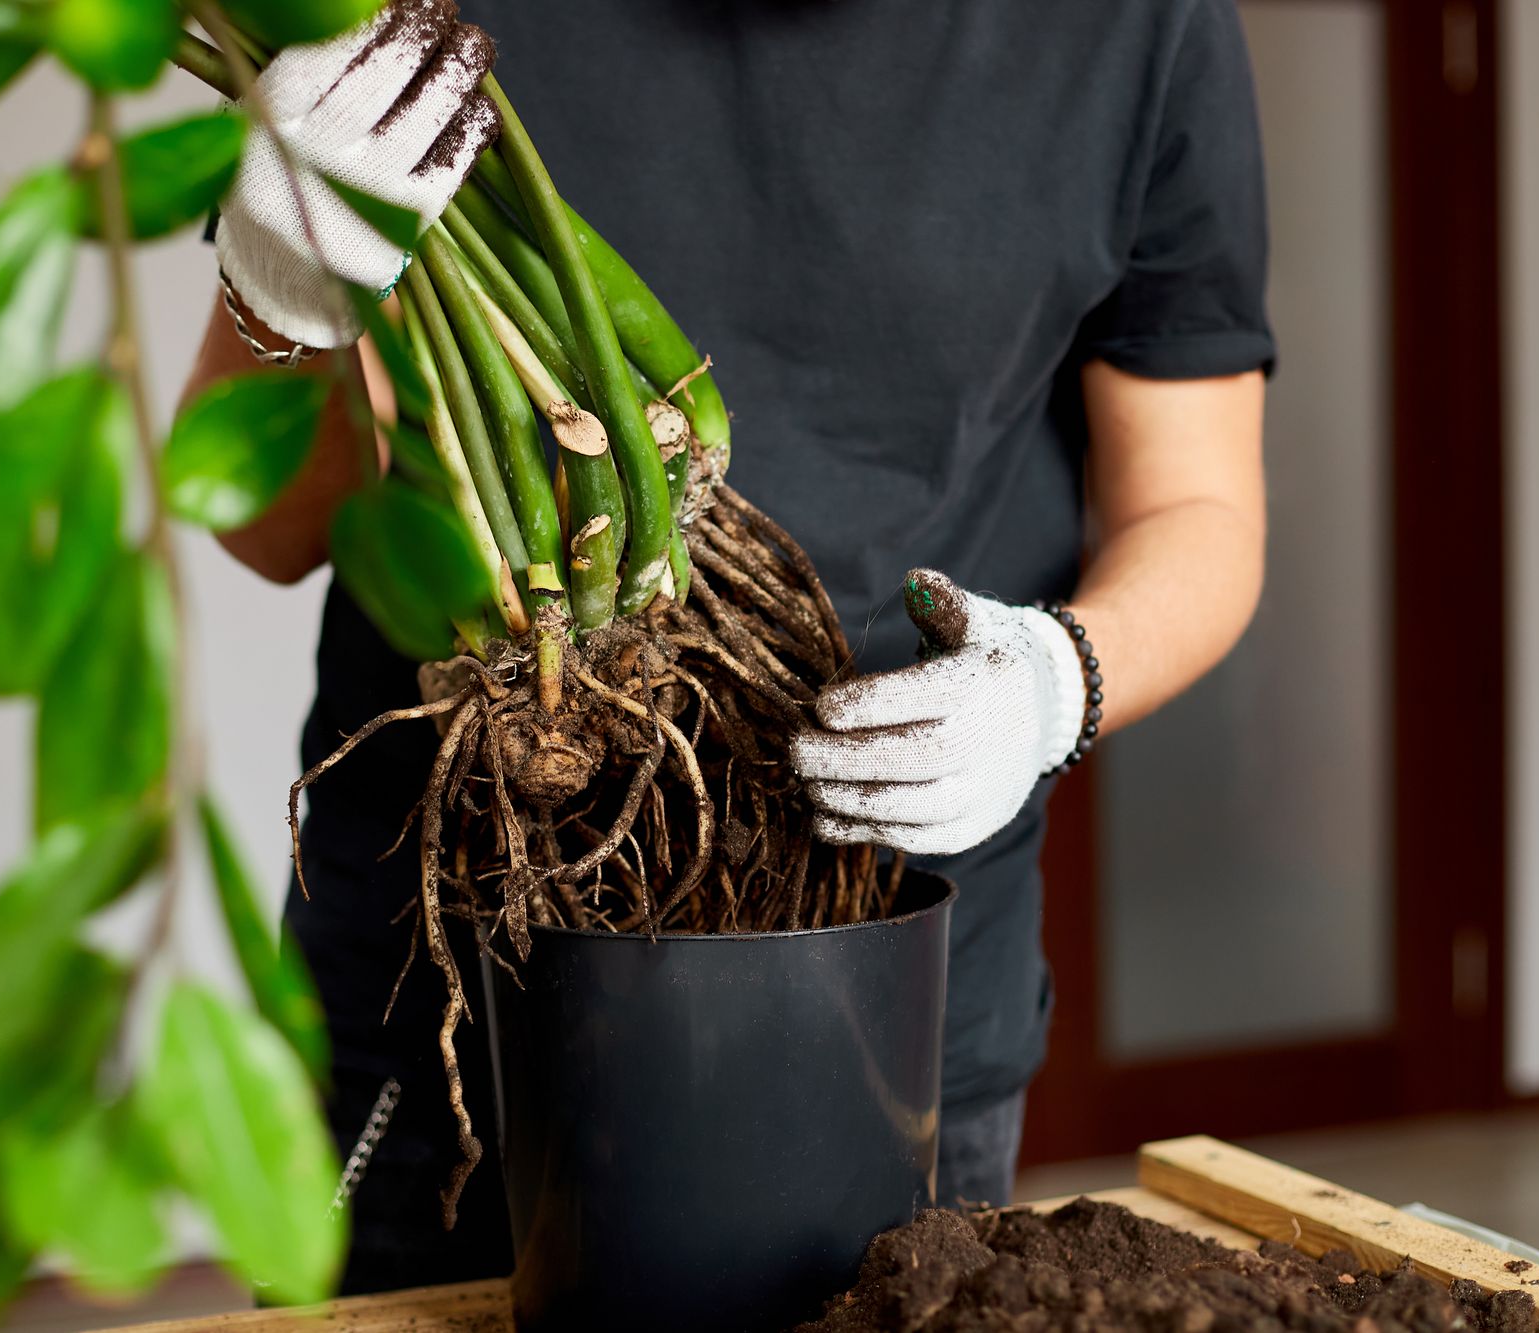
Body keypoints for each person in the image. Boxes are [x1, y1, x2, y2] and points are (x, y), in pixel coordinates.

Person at [184, 0, 1272, 1296]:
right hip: (448, 1009)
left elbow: (1196, 508)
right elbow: (270, 523)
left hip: (893, 1004)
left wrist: (1057, 683)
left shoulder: (1137, 29)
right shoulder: (405, 13)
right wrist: (280, 301)